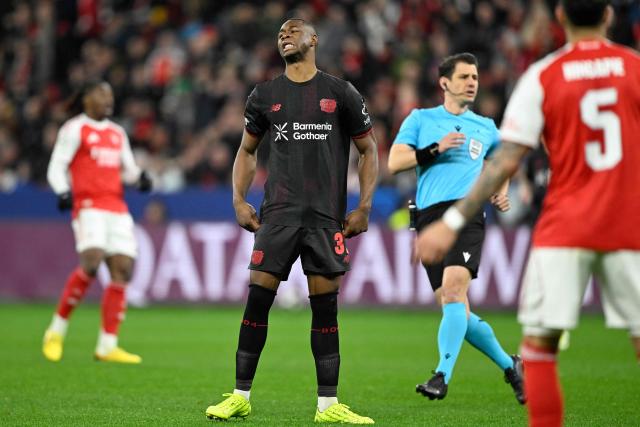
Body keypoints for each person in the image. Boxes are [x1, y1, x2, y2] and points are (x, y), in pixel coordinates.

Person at [416, 2, 640, 426]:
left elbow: (505, 162)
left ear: (560, 17)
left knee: (540, 347)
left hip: (565, 226)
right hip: (630, 223)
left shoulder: (544, 76)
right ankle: (501, 366)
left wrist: (451, 222)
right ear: (608, 16)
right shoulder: (634, 67)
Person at [204, 19, 378, 424]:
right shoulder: (265, 95)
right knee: (257, 301)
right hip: (277, 216)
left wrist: (364, 205)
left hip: (324, 219)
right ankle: (240, 396)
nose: (284, 34)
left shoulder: (340, 93)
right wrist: (237, 199)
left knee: (325, 309)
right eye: (280, 31)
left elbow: (369, 150)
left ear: (313, 40)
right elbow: (247, 151)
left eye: (294, 29)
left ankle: (327, 406)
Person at [387, 52, 525, 404]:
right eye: (464, 77)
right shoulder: (421, 119)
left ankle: (441, 376)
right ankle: (511, 366)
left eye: (475, 77)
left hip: (467, 215)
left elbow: (503, 163)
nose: (472, 83)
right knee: (457, 309)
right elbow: (395, 160)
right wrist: (434, 149)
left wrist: (501, 192)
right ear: (444, 83)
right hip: (429, 220)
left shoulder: (486, 127)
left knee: (452, 291)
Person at [43, 80, 152, 364]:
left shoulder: (116, 133)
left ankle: (107, 345)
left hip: (115, 206)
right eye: (102, 94)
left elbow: (127, 170)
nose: (108, 100)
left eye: (111, 95)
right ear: (87, 98)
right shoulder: (74, 129)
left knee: (123, 269)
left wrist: (139, 178)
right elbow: (56, 166)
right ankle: (55, 331)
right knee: (91, 262)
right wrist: (63, 190)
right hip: (89, 205)